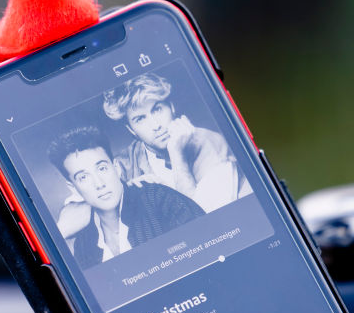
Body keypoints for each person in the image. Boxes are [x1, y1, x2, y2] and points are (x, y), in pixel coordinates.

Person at [47, 125, 204, 270]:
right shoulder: (84, 243)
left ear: (116, 168)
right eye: (83, 177)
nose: (99, 183)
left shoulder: (159, 199)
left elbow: (209, 244)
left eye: (102, 168)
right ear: (73, 187)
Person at [102, 73, 251, 212]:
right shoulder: (124, 164)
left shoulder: (210, 143)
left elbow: (206, 220)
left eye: (157, 110)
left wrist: (176, 154)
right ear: (131, 129)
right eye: (140, 119)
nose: (155, 125)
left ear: (172, 107)